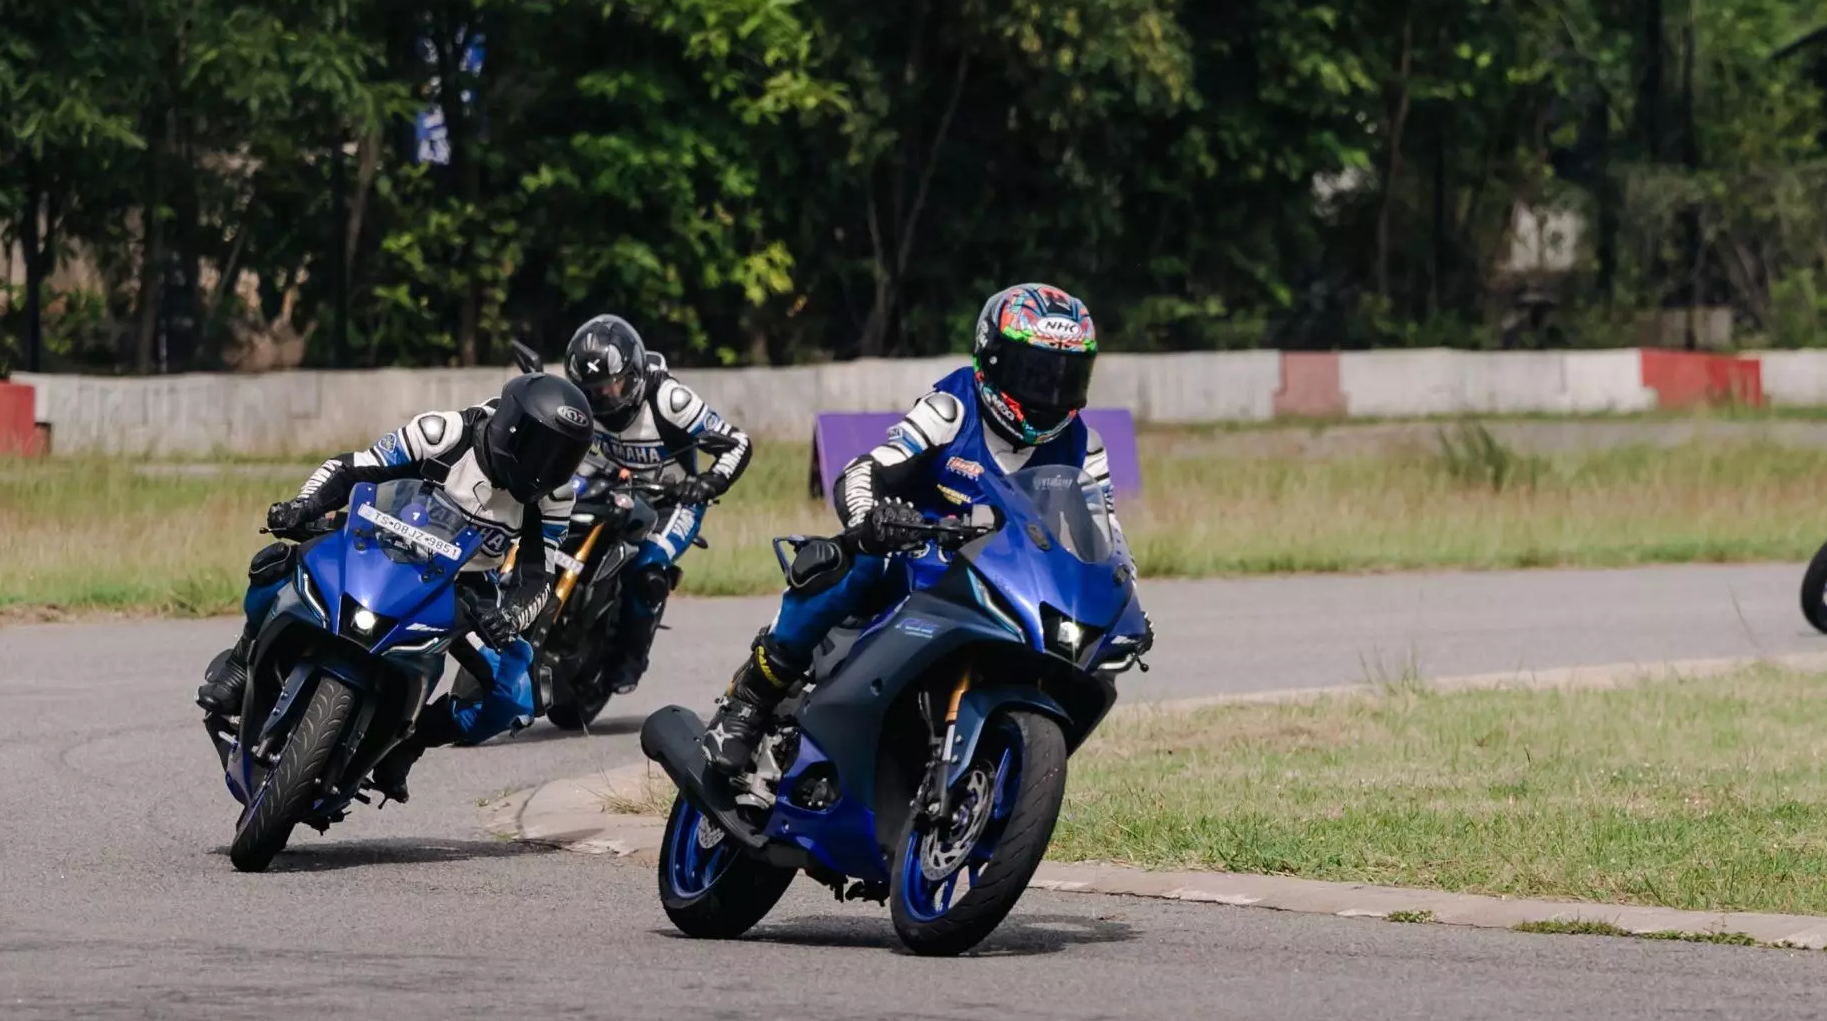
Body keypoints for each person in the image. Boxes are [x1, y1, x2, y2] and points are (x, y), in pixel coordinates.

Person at [697, 282, 1143, 780]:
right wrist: (871, 521)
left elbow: (1106, 541)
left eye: (1066, 376)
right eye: (1036, 373)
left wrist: (1126, 605)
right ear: (991, 359)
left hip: (1008, 582)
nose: (1050, 394)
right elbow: (866, 470)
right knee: (850, 561)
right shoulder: (951, 409)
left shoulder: (1086, 448)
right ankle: (751, 700)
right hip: (917, 557)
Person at [196, 372, 600, 801]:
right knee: (275, 563)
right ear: (510, 428)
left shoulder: (554, 497)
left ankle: (410, 742)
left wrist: (509, 618)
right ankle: (242, 661)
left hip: (464, 584)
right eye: (541, 453)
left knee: (515, 692)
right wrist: (304, 504)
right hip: (381, 539)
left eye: (562, 460)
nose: (546, 470)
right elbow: (353, 466)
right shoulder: (444, 432)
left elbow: (540, 575)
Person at [558, 313, 753, 694]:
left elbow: (738, 443)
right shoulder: (581, 403)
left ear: (632, 374)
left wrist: (709, 482)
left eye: (611, 388)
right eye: (593, 391)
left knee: (647, 568)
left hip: (672, 502)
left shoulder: (671, 400)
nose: (603, 399)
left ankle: (630, 658)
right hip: (606, 489)